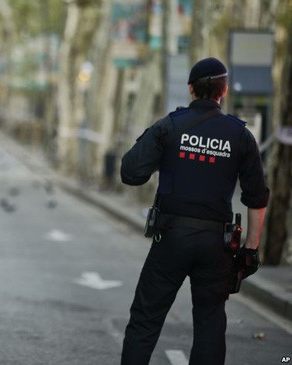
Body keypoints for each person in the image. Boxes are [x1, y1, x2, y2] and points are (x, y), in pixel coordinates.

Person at [119, 57, 269, 364]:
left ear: (190, 89)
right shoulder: (240, 135)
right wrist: (251, 249)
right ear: (223, 91)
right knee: (210, 322)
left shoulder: (170, 126)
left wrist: (156, 138)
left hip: (170, 238)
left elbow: (131, 173)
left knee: (146, 318)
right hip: (217, 244)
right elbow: (257, 197)